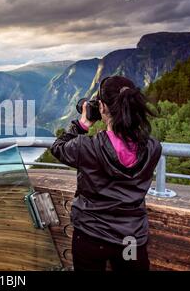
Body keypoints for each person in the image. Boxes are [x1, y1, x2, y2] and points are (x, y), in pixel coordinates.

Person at [50, 75, 162, 271]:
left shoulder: (86, 147)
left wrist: (82, 124)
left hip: (90, 236)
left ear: (101, 108)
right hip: (130, 238)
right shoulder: (153, 147)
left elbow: (58, 147)